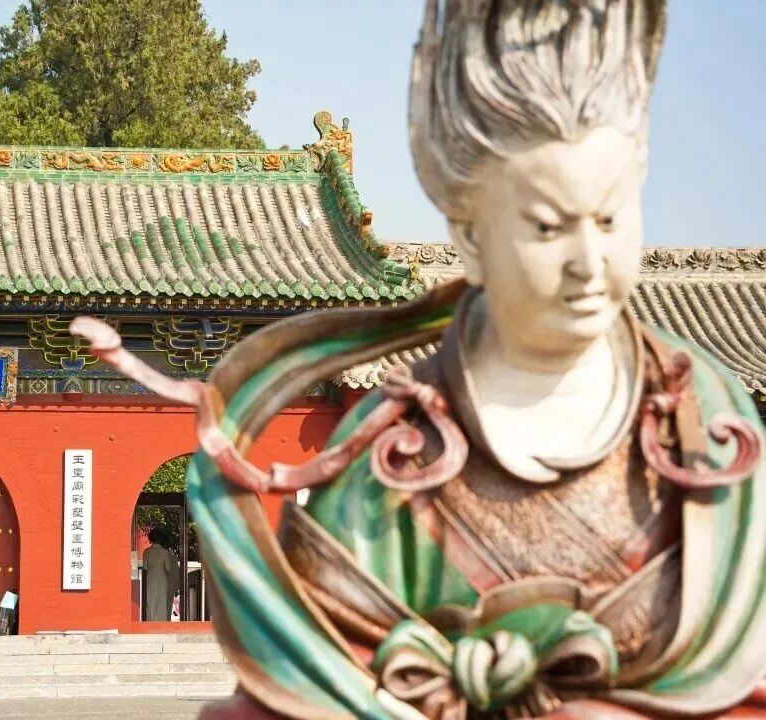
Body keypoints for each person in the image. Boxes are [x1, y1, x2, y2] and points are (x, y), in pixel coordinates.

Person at [72, 1, 765, 717]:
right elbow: (319, 688)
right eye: (547, 227)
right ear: (470, 238)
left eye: (611, 218)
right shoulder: (386, 453)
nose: (589, 262)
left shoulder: (706, 425)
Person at [142, 528, 179, 622]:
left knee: (150, 601)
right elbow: (168, 568)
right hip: (162, 579)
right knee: (161, 602)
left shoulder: (146, 552)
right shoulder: (165, 552)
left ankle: (150, 621)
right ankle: (161, 622)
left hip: (150, 579)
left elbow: (145, 568)